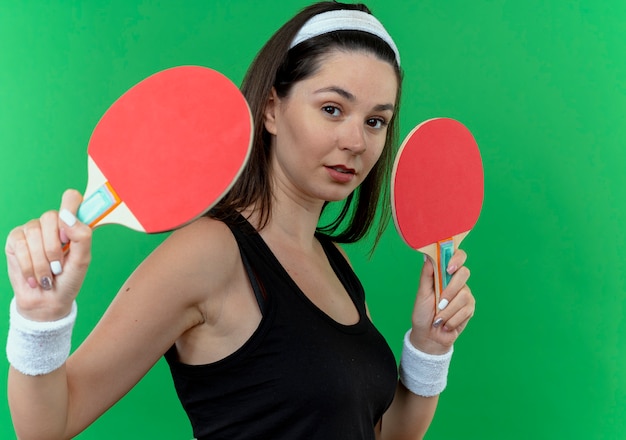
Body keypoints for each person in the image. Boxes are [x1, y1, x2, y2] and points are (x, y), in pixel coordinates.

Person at [5, 2, 475, 439]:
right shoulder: (209, 253)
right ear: (272, 109)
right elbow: (47, 425)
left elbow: (380, 433)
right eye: (332, 109)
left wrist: (429, 347)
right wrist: (40, 321)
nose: (356, 140)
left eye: (376, 121)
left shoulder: (337, 265)